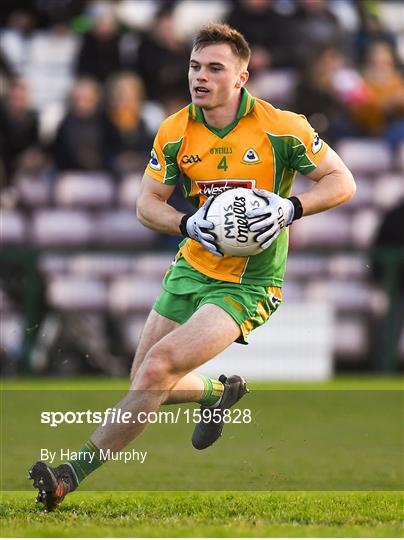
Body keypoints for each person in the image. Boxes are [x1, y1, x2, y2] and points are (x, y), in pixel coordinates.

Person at [28, 23, 356, 511]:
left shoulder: (282, 127)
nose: (199, 77)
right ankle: (216, 393)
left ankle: (65, 477)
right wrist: (188, 224)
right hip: (191, 267)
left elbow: (342, 181)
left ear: (242, 77)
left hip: (249, 282)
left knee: (157, 368)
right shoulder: (175, 130)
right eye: (194, 66)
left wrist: (293, 209)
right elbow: (146, 204)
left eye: (214, 68)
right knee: (144, 381)